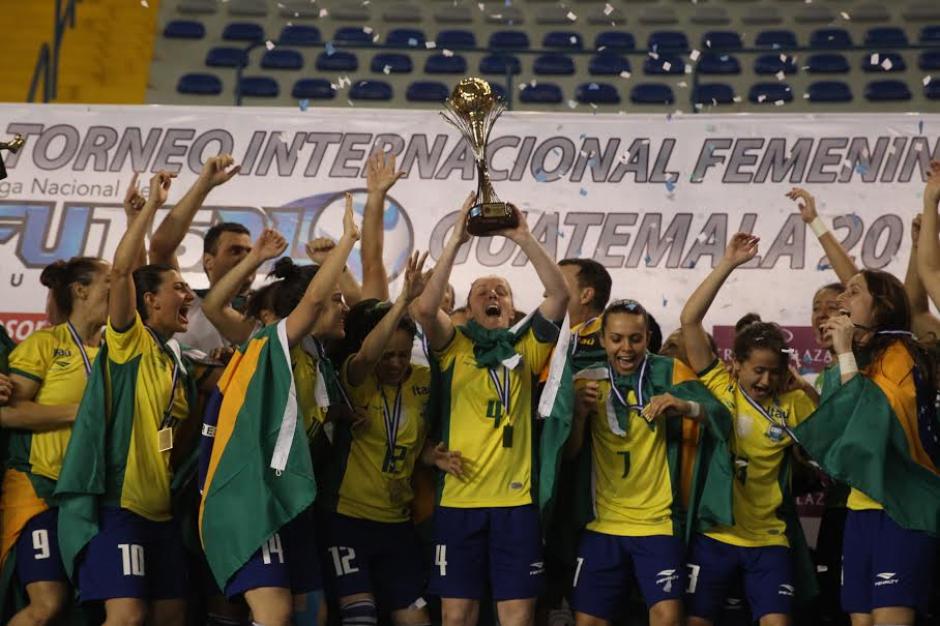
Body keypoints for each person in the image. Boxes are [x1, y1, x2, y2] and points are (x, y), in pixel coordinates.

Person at [54, 171, 220, 626]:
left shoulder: (178, 362)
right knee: (125, 616)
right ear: (150, 301)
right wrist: (147, 210)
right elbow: (125, 271)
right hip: (118, 509)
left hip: (161, 513)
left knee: (171, 615)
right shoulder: (130, 343)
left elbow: (179, 437)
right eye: (180, 289)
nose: (189, 295)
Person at [199, 195, 359, 626]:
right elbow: (308, 304)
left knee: (312, 611)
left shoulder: (317, 360)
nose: (343, 306)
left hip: (286, 496)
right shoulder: (270, 343)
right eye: (335, 298)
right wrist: (348, 240)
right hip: (247, 494)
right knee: (275, 614)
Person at [414, 193, 569, 626]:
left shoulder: (528, 346)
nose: (492, 293)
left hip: (515, 502)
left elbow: (559, 293)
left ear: (512, 307)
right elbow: (426, 308)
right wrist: (457, 241)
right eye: (482, 291)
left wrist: (522, 235)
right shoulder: (453, 346)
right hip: (459, 500)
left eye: (501, 290)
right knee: (457, 614)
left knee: (517, 616)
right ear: (469, 308)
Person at [679, 233, 817, 626]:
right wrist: (728, 263)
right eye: (758, 370)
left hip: (769, 539)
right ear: (735, 363)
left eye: (775, 371)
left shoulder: (794, 404)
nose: (766, 380)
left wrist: (805, 387)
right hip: (716, 537)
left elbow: (830, 442)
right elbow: (690, 320)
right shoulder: (721, 391)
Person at [320, 253, 464, 626]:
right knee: (360, 616)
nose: (396, 364)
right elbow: (368, 354)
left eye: (402, 355)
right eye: (388, 355)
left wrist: (433, 456)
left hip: (397, 523)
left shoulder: (422, 379)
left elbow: (410, 440)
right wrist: (403, 300)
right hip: (346, 519)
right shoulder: (354, 376)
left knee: (417, 619)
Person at [563, 299, 726, 626]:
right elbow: (567, 456)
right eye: (617, 339)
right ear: (603, 339)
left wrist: (684, 405)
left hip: (657, 524)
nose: (626, 348)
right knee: (588, 622)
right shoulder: (584, 380)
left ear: (648, 336)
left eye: (635, 339)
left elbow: (721, 415)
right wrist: (579, 416)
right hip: (602, 524)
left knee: (667, 618)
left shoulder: (670, 372)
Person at [795, 269, 940, 626]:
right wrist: (842, 356)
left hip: (905, 509)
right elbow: (838, 439)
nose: (841, 300)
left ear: (882, 308)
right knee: (860, 621)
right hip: (860, 510)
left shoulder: (903, 358)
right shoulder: (854, 361)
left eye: (854, 292)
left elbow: (868, 431)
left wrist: (844, 352)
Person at [0, 257, 109, 625]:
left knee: (88, 608)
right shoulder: (45, 343)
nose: (121, 286)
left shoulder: (119, 351)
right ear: (80, 290)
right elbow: (8, 412)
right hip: (39, 488)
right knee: (46, 605)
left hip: (92, 495)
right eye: (111, 279)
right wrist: (78, 412)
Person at [147, 154, 246, 354]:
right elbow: (161, 247)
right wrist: (204, 185)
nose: (245, 258)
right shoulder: (186, 305)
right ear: (209, 261)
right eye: (235, 251)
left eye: (250, 252)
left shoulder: (265, 314)